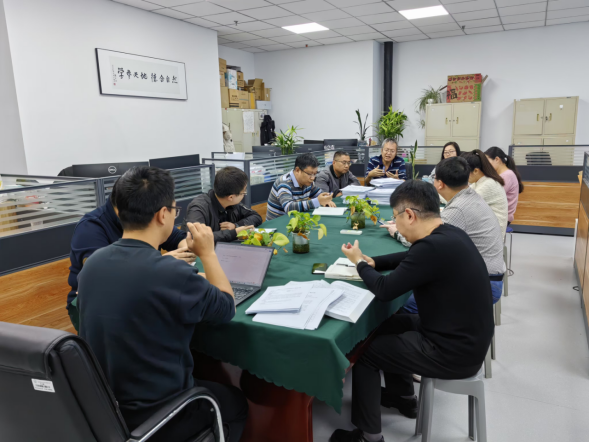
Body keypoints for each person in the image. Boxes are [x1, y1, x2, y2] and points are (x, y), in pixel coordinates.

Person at [78, 167, 248, 442]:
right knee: (236, 404)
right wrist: (208, 254)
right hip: (162, 414)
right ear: (162, 215)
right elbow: (226, 307)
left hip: (104, 409)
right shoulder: (171, 274)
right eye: (174, 210)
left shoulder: (93, 264)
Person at [330, 180, 494, 443]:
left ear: (409, 215)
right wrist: (375, 262)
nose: (395, 224)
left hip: (452, 351)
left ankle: (369, 436)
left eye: (395, 217)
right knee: (384, 326)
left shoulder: (432, 248)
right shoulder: (448, 233)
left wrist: (360, 263)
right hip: (463, 336)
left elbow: (384, 289)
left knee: (367, 353)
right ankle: (404, 398)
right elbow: (412, 258)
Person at [67, 178, 195, 332]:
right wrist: (159, 263)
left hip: (140, 290)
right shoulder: (91, 227)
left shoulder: (144, 215)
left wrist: (184, 250)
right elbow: (104, 276)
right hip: (94, 303)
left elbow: (177, 237)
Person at [387, 157, 505, 311]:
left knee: (407, 302)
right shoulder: (469, 195)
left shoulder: (458, 209)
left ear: (440, 184)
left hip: (484, 284)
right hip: (487, 275)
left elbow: (424, 241)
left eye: (434, 178)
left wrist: (397, 232)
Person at [186, 166, 262, 243]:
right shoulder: (198, 208)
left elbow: (256, 217)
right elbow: (196, 238)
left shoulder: (232, 203)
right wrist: (234, 233)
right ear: (231, 197)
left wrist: (236, 225)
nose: (244, 195)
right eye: (244, 192)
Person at [266, 153, 336, 221]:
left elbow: (319, 194)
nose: (312, 178)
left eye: (315, 174)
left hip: (296, 221)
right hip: (278, 223)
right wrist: (317, 201)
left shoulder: (308, 182)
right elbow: (288, 207)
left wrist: (326, 199)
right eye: (310, 174)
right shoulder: (284, 182)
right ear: (297, 170)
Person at [461, 150, 509, 233]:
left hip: (492, 234)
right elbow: (463, 195)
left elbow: (463, 203)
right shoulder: (479, 181)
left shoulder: (488, 184)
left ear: (476, 171)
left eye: (464, 171)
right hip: (486, 228)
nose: (463, 175)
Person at [485, 146, 525, 225]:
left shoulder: (506, 175)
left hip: (502, 217)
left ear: (497, 159)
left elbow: (493, 196)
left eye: (488, 162)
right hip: (499, 216)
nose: (486, 166)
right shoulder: (502, 174)